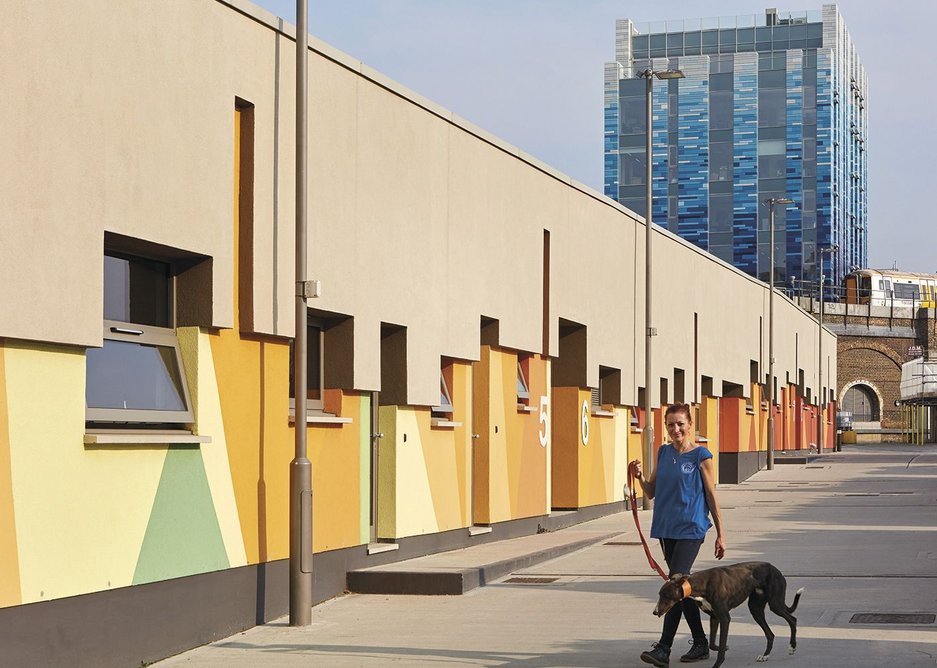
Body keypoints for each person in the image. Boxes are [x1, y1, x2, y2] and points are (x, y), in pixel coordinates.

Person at [630, 403, 726, 667]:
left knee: (674, 584)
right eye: (670, 424)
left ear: (690, 424)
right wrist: (638, 477)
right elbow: (651, 491)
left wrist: (720, 533)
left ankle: (663, 648)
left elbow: (711, 495)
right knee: (684, 589)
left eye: (680, 424)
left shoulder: (701, 456)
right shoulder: (663, 453)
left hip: (691, 528)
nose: (675, 429)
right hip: (666, 528)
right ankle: (700, 643)